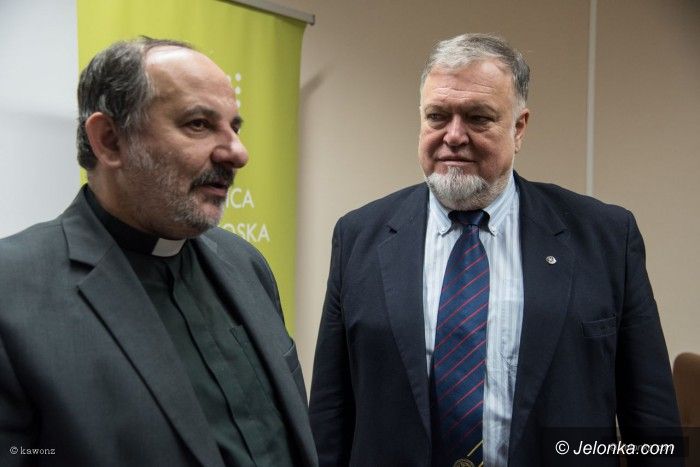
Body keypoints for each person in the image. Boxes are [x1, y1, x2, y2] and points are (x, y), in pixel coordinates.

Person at [309, 33, 682, 466]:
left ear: (518, 127)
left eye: (478, 118)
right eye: (437, 116)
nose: (453, 136)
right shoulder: (359, 237)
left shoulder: (605, 238)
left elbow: (652, 421)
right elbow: (330, 417)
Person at [0, 37, 317, 467]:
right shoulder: (12, 291)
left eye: (234, 127)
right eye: (199, 124)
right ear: (110, 140)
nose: (238, 153)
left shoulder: (245, 264)